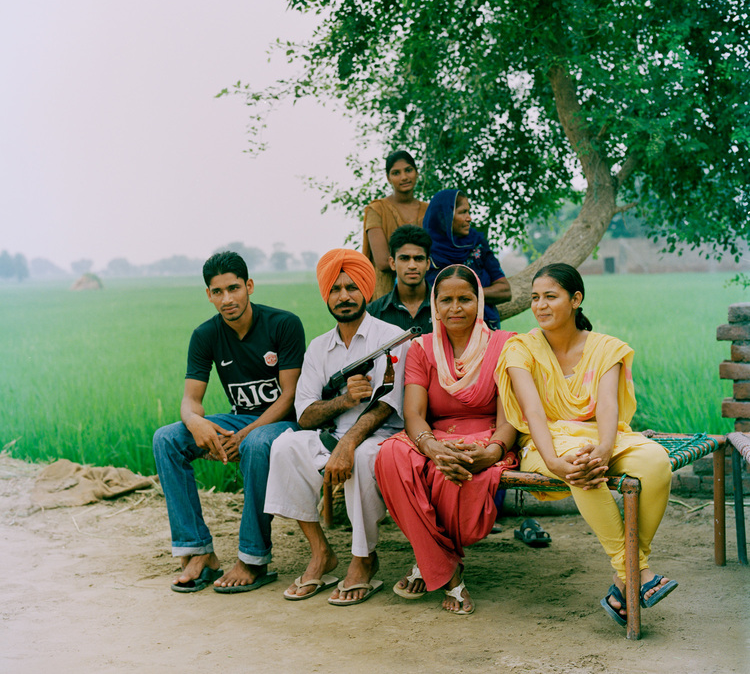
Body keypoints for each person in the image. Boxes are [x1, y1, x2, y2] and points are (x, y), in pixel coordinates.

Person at [495, 263, 676, 628]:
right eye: (534, 298)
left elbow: (609, 406)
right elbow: (531, 412)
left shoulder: (606, 348)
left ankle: (622, 583)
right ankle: (636, 572)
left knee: (656, 461)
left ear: (576, 299)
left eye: (551, 296)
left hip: (600, 437)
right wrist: (555, 461)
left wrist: (606, 449)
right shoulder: (520, 349)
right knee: (580, 466)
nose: (540, 305)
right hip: (544, 444)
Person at [152, 251, 305, 594]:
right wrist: (195, 422)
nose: (227, 298)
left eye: (234, 288)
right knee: (166, 439)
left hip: (285, 423)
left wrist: (246, 434)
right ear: (209, 294)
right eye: (217, 291)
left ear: (249, 286)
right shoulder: (205, 335)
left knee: (255, 442)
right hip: (240, 422)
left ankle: (253, 558)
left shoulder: (283, 323)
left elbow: (289, 397)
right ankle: (198, 552)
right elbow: (191, 399)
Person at [264, 249, 408, 605]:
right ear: (326, 295)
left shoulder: (395, 339)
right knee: (284, 448)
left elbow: (388, 406)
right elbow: (305, 414)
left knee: (360, 458)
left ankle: (363, 559)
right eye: (335, 289)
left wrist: (349, 444)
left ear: (366, 291)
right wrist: (344, 401)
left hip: (384, 437)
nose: (344, 296)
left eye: (352, 287)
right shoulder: (318, 348)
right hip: (334, 436)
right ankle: (320, 553)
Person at [375, 265, 518, 615]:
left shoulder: (505, 346)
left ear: (479, 302)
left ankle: (428, 562)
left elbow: (511, 416)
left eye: (465, 299)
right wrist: (432, 447)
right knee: (389, 455)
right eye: (446, 300)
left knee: (453, 473)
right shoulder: (422, 349)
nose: (455, 308)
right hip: (433, 436)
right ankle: (449, 573)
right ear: (434, 306)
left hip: (486, 436)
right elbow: (413, 415)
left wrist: (492, 452)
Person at [422, 189, 511, 329]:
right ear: (445, 216)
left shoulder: (477, 244)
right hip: (441, 332)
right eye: (463, 212)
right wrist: (478, 292)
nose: (469, 218)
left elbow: (505, 291)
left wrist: (467, 294)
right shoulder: (425, 251)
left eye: (469, 212)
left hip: (485, 329)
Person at [362, 150, 429, 300]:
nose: (404, 177)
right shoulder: (377, 210)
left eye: (408, 170)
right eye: (396, 173)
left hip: (424, 295)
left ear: (417, 173)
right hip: (385, 296)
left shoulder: (429, 211)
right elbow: (383, 262)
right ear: (388, 178)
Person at [367, 224, 433, 334]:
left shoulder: (444, 307)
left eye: (418, 258)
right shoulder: (374, 313)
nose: (412, 265)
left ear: (427, 264)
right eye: (404, 258)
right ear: (392, 263)